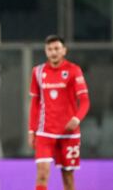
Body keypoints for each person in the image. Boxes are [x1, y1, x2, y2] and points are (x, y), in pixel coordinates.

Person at [28, 35, 90, 190]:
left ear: (64, 51)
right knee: (42, 174)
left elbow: (85, 101)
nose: (53, 52)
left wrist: (77, 118)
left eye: (56, 48)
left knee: (68, 178)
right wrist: (31, 130)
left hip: (68, 133)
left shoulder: (74, 70)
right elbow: (34, 104)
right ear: (45, 51)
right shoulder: (38, 72)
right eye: (50, 49)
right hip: (45, 132)